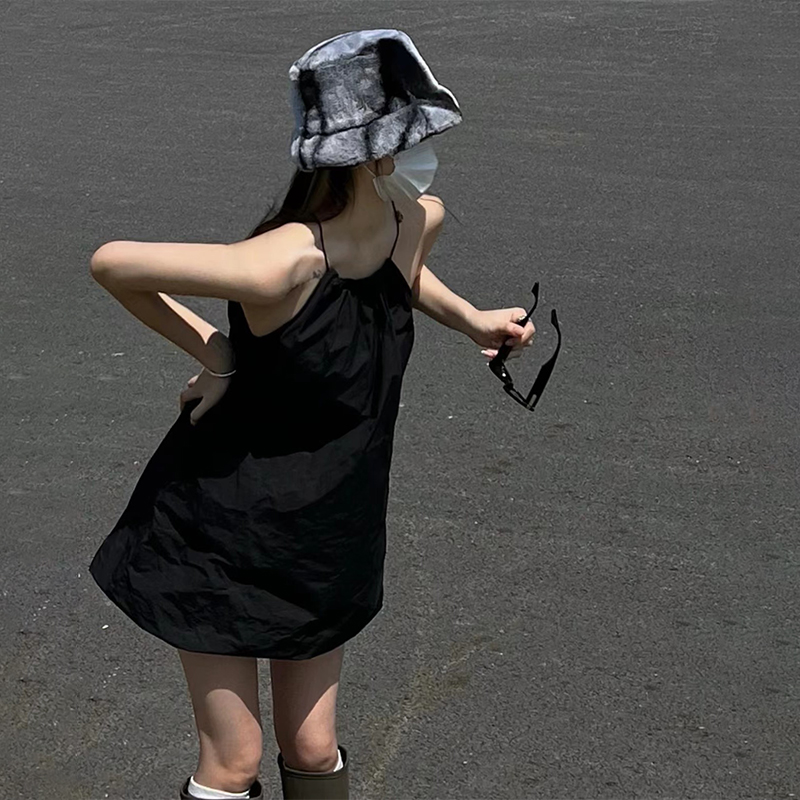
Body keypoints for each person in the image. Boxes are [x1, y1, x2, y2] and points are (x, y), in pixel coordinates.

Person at [88, 28, 535, 800]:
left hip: (329, 528)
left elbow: (403, 280)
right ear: (368, 155)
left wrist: (472, 321)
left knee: (313, 744)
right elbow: (113, 263)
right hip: (222, 527)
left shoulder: (412, 221)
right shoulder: (282, 262)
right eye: (408, 136)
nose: (422, 153)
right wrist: (219, 353)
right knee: (234, 759)